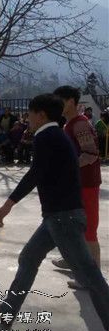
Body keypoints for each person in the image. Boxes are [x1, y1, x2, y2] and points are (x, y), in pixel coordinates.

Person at [0, 93, 109, 331]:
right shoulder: (58, 136)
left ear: (41, 115)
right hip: (59, 217)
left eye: (30, 114)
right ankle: (8, 309)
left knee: (90, 277)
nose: (27, 119)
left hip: (63, 219)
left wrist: (7, 205)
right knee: (29, 257)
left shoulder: (46, 136)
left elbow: (35, 174)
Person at [51, 86, 103, 290]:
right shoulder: (70, 123)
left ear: (71, 101)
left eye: (60, 101)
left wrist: (67, 166)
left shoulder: (79, 124)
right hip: (76, 184)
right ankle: (72, 261)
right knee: (73, 226)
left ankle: (93, 278)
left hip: (87, 184)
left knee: (88, 229)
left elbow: (91, 154)